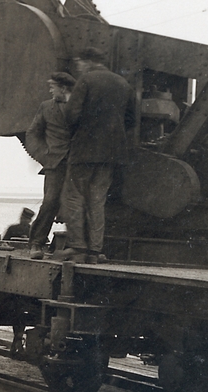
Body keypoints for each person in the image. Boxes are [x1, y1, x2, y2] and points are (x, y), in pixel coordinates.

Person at [61, 47, 135, 263]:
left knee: (74, 197)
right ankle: (94, 251)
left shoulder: (86, 80)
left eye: (79, 62)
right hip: (111, 153)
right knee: (97, 201)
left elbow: (71, 115)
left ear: (88, 61)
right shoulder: (123, 83)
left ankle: (77, 248)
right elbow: (131, 120)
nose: (78, 67)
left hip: (84, 149)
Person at [24, 71, 77, 259]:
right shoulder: (46, 107)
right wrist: (43, 156)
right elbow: (32, 134)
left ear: (63, 88)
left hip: (76, 164)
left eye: (53, 87)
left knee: (76, 204)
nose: (50, 90)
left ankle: (75, 247)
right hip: (54, 164)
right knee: (50, 202)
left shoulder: (79, 107)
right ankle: (36, 244)